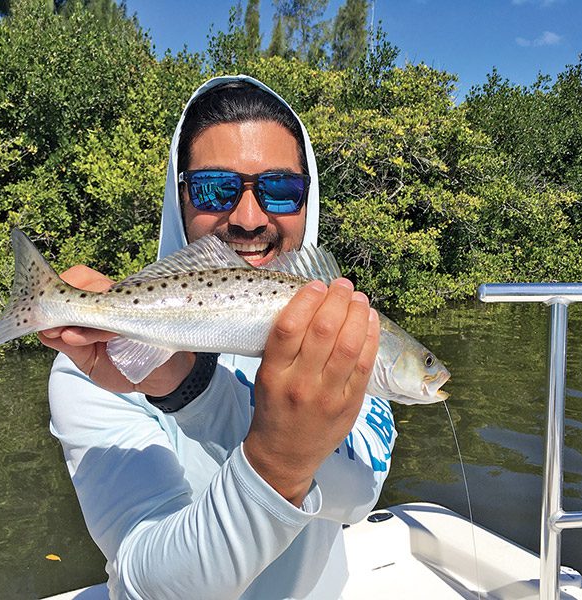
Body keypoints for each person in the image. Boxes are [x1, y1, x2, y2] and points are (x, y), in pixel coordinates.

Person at [39, 75, 397, 599]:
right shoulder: (96, 358)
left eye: (280, 189)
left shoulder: (341, 337)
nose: (249, 218)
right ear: (179, 197)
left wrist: (197, 388)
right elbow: (152, 584)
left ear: (308, 199)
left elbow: (359, 496)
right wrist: (192, 390)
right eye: (214, 189)